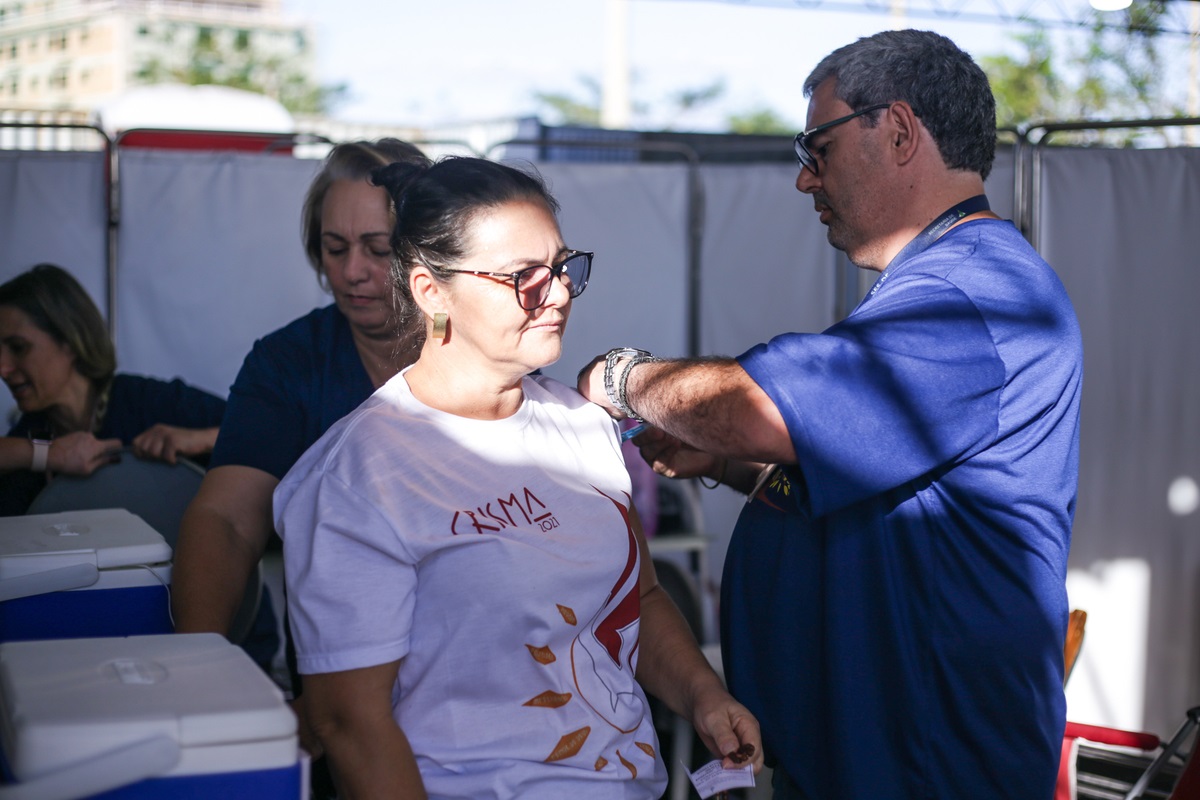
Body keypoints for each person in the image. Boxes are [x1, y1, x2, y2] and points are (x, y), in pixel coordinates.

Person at [577, 29, 1083, 800]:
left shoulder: (974, 296)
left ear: (901, 129)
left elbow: (751, 408)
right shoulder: (945, 287)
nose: (805, 181)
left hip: (926, 770)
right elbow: (884, 486)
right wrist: (722, 462)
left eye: (818, 147)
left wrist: (621, 377)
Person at [273, 156, 762, 799]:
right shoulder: (359, 476)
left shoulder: (583, 426)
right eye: (522, 277)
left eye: (561, 267)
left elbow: (636, 600)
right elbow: (351, 724)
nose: (557, 293)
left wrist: (703, 696)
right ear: (431, 292)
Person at [170, 139, 430, 791]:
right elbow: (228, 521)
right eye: (334, 248)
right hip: (339, 713)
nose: (352, 272)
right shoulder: (288, 364)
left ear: (430, 250)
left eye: (377, 247)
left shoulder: (487, 356)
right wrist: (199, 666)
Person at [0, 263, 226, 515]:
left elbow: (265, 434)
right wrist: (44, 455)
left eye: (18, 347)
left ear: (70, 340)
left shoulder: (147, 401)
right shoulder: (29, 437)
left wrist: (200, 439)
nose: (3, 368)